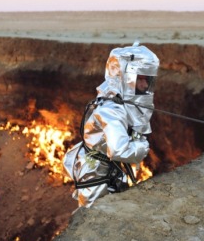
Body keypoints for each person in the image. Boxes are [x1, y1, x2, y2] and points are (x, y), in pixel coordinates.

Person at [63, 42, 160, 207]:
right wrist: (142, 146)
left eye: (148, 80)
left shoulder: (120, 102)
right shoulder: (111, 111)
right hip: (95, 173)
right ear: (125, 78)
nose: (145, 85)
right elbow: (119, 149)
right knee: (94, 217)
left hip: (107, 168)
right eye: (140, 79)